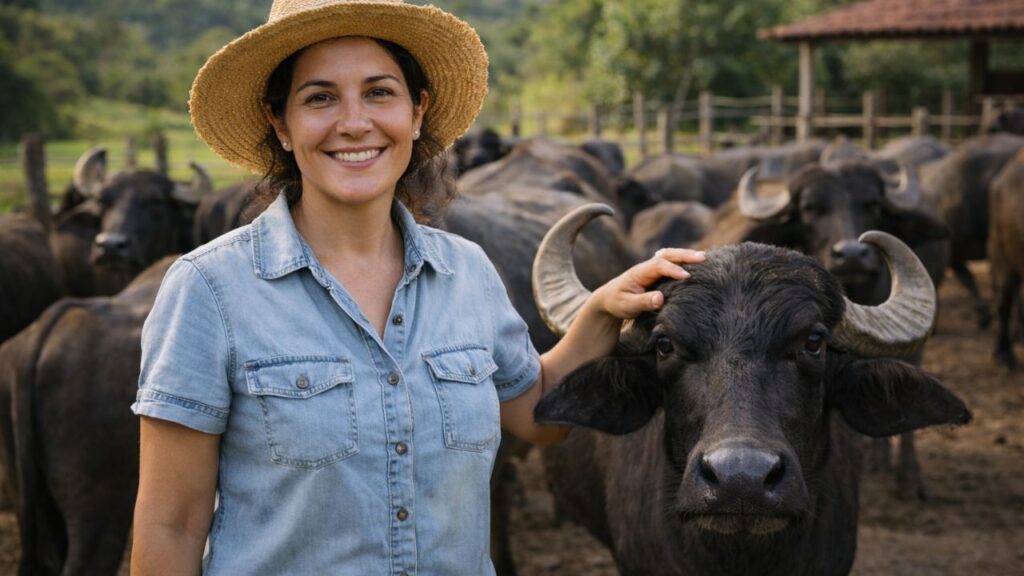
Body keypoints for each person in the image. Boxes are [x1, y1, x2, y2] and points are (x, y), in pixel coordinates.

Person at [129, 1, 705, 574]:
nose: (355, 122)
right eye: (320, 98)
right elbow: (171, 525)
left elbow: (538, 413)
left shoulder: (467, 272)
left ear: (417, 112)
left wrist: (600, 310)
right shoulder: (210, 290)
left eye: (379, 92)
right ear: (280, 124)